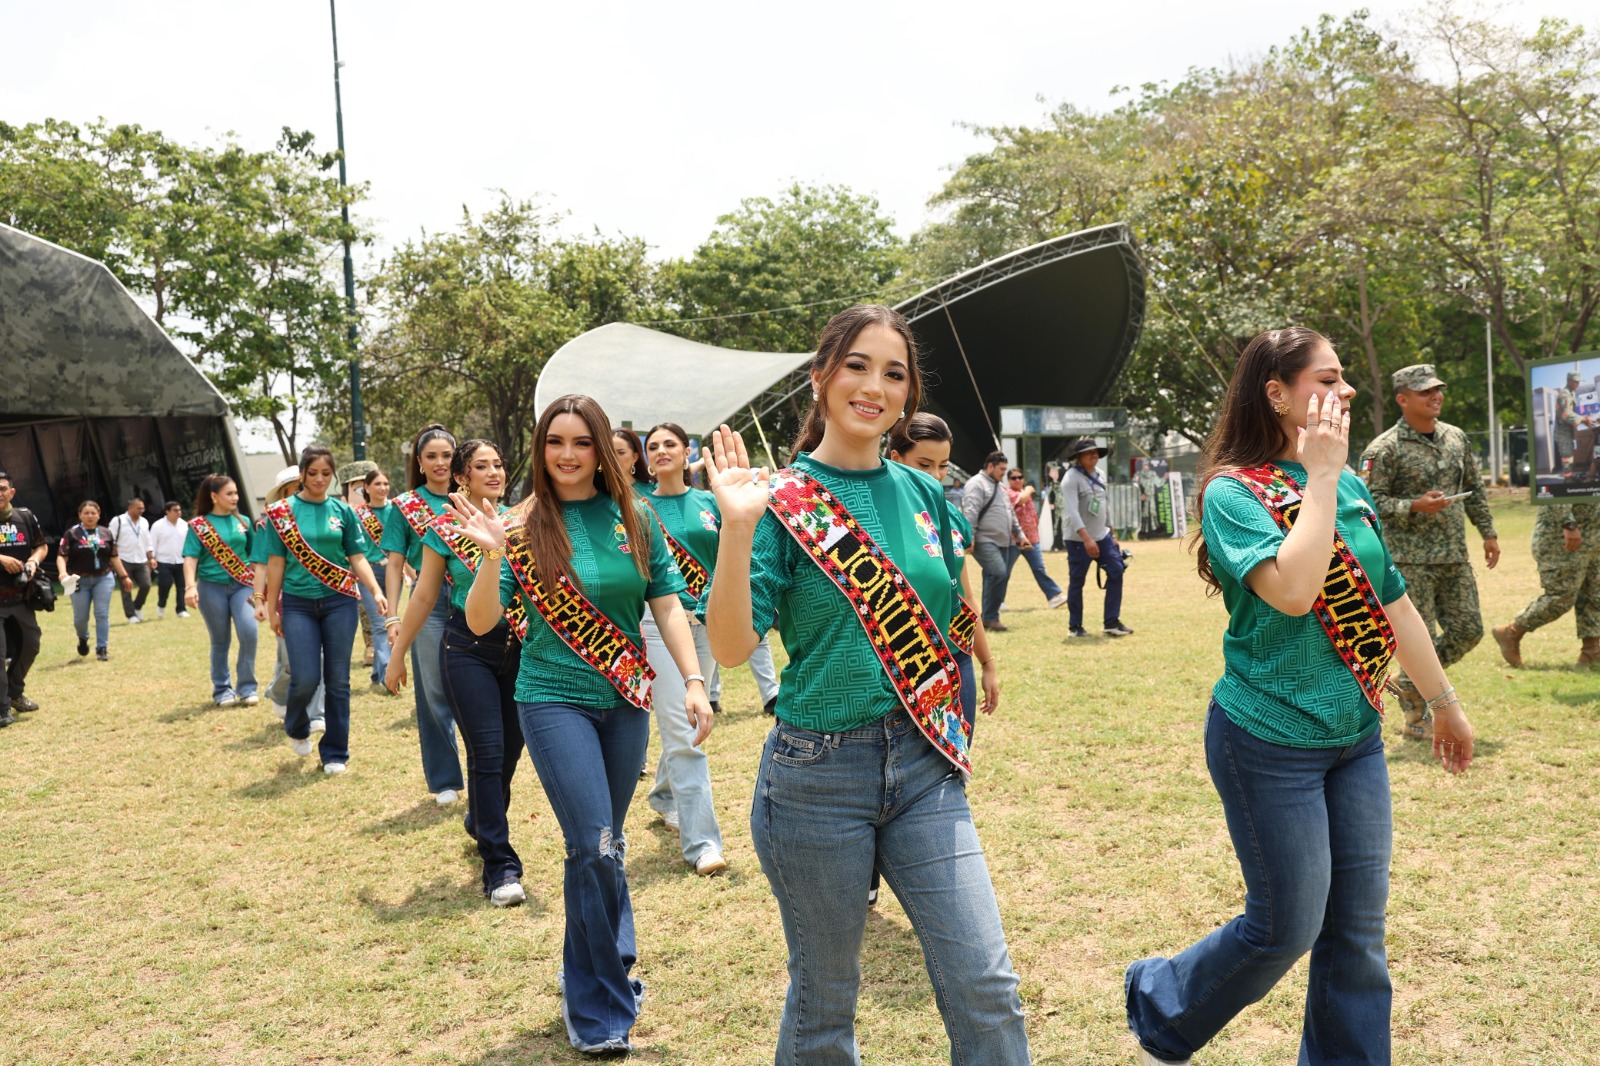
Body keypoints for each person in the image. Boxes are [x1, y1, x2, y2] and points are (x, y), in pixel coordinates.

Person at [1124, 326, 1474, 1066]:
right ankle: (1160, 998)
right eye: (1328, 378)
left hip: (1354, 740)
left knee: (1356, 934)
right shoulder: (1232, 493)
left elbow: (1395, 602)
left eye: (1346, 377)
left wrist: (1444, 700)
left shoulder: (1347, 481)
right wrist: (1317, 478)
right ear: (1276, 393)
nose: (1345, 392)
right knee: (1284, 927)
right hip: (1267, 742)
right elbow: (1293, 592)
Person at [703, 304, 1029, 1064]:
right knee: (826, 1002)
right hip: (817, 777)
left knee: (987, 985)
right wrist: (740, 527)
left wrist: (973, 671)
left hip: (922, 770)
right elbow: (728, 646)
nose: (874, 387)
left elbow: (944, 608)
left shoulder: (923, 494)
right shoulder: (776, 500)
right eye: (856, 366)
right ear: (820, 378)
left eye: (894, 373)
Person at [456, 394, 711, 1056]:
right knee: (591, 843)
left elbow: (668, 603)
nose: (567, 455)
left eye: (581, 442)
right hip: (551, 698)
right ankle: (597, 1007)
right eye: (553, 443)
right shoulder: (518, 526)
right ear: (539, 451)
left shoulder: (637, 515)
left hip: (625, 698)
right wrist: (488, 560)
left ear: (602, 449)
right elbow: (482, 622)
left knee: (609, 841)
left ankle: (614, 957)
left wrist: (692, 679)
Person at [389, 438, 531, 898]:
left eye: (499, 464)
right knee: (487, 752)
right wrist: (396, 654)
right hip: (467, 649)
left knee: (510, 752)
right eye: (482, 466)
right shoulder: (444, 527)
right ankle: (500, 865)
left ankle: (480, 819)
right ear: (462, 477)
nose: (494, 472)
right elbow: (426, 595)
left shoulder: (522, 521)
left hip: (520, 649)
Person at [1359, 363, 1499, 740]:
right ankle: (1416, 715)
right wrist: (1414, 506)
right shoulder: (1383, 448)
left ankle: (1411, 681)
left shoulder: (1456, 438)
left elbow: (1475, 488)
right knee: (1415, 636)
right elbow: (1365, 503)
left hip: (1454, 556)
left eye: (1437, 389)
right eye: (1425, 392)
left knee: (1469, 630)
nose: (1435, 396)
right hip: (1408, 561)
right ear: (1403, 399)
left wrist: (1488, 532)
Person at [263, 446, 388, 775]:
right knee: (304, 676)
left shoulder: (343, 511)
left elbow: (357, 556)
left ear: (332, 476)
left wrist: (375, 591)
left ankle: (335, 752)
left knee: (338, 680)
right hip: (297, 602)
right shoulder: (282, 512)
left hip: (340, 601)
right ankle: (297, 723)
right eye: (313, 473)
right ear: (302, 474)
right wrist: (271, 606)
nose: (319, 479)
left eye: (325, 474)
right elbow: (275, 563)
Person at [640, 420, 728, 874]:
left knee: (681, 718)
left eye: (669, 444)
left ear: (686, 450)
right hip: (658, 626)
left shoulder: (711, 502)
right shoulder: (636, 506)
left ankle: (661, 794)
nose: (660, 451)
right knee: (686, 728)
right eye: (652, 446)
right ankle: (702, 844)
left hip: (707, 623)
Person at [382, 425, 465, 804]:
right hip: (427, 603)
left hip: (472, 598)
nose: (440, 463)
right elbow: (395, 562)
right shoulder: (405, 507)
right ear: (419, 462)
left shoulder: (470, 497)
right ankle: (445, 778)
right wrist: (392, 616)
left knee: (474, 687)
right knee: (434, 691)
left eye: (446, 455)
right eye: (431, 456)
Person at [181, 474, 259, 707]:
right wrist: (190, 587)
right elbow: (190, 559)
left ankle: (247, 687)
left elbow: (255, 557)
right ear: (214, 497)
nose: (235, 497)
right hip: (211, 587)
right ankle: (222, 690)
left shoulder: (244, 522)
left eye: (236, 493)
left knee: (249, 633)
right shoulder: (199, 525)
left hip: (242, 585)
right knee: (220, 640)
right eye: (229, 493)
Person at [255, 466, 324, 729]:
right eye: (293, 488)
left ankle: (317, 714)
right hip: (285, 600)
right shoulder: (269, 524)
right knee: (289, 660)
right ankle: (279, 692)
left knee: (319, 658)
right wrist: (261, 600)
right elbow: (262, 565)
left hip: (321, 596)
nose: (300, 492)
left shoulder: (323, 517)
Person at [1493, 500, 1600, 668]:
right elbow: (1556, 491)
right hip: (1561, 539)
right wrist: (1568, 524)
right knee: (1561, 597)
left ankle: (1591, 651)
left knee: (1593, 594)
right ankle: (1511, 631)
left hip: (1593, 536)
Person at [1062, 437, 1132, 638]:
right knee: (1077, 581)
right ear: (1079, 457)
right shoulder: (1070, 478)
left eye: (1096, 452)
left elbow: (1104, 504)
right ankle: (1075, 626)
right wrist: (1086, 539)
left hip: (1102, 535)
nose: (1094, 455)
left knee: (1117, 570)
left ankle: (1111, 621)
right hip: (1078, 540)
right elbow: (1071, 512)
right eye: (1088, 452)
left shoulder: (1100, 475)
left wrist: (1112, 531)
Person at [0, 472, 48, 723]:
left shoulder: (25, 517)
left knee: (31, 645)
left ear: (11, 492)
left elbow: (41, 545)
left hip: (20, 597)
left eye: (2, 488)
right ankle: (2, 706)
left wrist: (32, 561)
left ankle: (15, 693)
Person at [58, 500, 133, 662]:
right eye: (86, 513)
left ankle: (102, 648)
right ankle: (83, 638)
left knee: (102, 614)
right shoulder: (72, 534)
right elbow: (62, 556)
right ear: (80, 515)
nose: (90, 516)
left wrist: (124, 576)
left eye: (93, 513)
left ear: (99, 515)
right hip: (79, 581)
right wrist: (63, 572)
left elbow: (114, 557)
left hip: (103, 579)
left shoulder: (106, 533)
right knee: (80, 618)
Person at [962, 450, 1027, 633]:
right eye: (1001, 469)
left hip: (1004, 542)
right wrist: (970, 537)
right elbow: (971, 512)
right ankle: (990, 617)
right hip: (984, 540)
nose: (1003, 474)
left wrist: (1020, 535)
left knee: (996, 576)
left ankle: (987, 617)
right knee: (998, 573)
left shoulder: (999, 487)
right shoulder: (976, 484)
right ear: (990, 466)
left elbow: (1011, 514)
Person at [349, 463, 392, 694]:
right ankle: (386, 675)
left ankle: (377, 674)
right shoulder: (357, 515)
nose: (382, 487)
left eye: (386, 483)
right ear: (366, 488)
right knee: (379, 623)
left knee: (390, 619)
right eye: (377, 484)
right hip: (368, 573)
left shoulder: (396, 510)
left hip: (392, 571)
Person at [1003, 467, 1069, 610]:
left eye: (1020, 477)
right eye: (1014, 478)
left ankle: (1053, 597)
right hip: (1014, 539)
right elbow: (1020, 501)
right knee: (1004, 572)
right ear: (1008, 481)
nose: (1018, 480)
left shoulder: (1025, 493)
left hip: (1032, 539)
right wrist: (1029, 489)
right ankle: (997, 602)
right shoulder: (1008, 493)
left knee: (1039, 569)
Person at [107, 496, 156, 624]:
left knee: (146, 585)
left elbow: (148, 541)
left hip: (141, 559)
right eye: (138, 508)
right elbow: (110, 541)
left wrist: (151, 557)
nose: (141, 511)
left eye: (143, 508)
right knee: (126, 588)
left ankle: (137, 606)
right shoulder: (118, 521)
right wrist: (112, 559)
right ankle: (131, 615)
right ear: (130, 508)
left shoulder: (144, 522)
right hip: (123, 559)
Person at [150, 501, 191, 619]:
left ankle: (181, 609)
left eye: (179, 510)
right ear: (167, 511)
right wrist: (152, 557)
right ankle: (161, 605)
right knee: (165, 584)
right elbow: (152, 542)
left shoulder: (184, 525)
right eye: (175, 510)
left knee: (181, 586)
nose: (179, 513)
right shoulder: (158, 525)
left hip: (181, 560)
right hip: (163, 560)